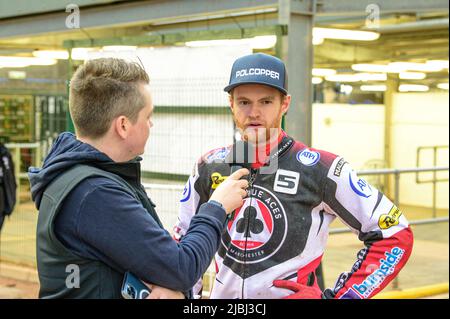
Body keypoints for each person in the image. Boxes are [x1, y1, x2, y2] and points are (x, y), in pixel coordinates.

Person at [174, 53, 414, 299]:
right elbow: (183, 243)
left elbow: (395, 232)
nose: (254, 113)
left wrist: (343, 297)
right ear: (231, 103)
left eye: (266, 102)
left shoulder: (322, 168)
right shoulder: (209, 166)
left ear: (285, 103)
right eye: (244, 102)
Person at [28, 58, 249, 299]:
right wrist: (216, 207)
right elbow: (182, 267)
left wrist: (164, 286)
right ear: (123, 125)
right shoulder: (94, 193)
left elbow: (140, 259)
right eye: (148, 116)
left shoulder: (81, 175)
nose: (151, 124)